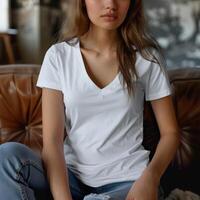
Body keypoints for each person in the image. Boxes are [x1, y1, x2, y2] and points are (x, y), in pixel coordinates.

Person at [0, 0, 180, 199]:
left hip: (128, 181)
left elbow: (170, 133)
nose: (110, 4)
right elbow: (52, 141)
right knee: (7, 157)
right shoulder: (59, 56)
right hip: (70, 178)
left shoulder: (146, 58)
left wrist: (151, 178)